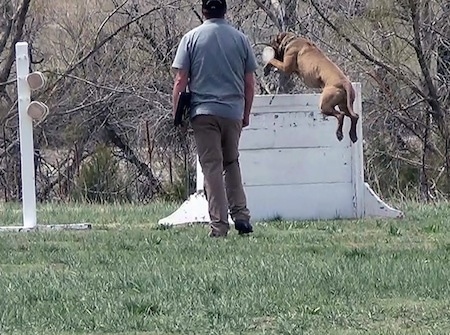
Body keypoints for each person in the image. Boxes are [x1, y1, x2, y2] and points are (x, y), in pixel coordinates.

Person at [171, 0, 258, 237]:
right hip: (232, 112)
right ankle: (241, 216)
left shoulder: (191, 38)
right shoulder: (240, 39)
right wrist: (245, 113)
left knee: (211, 166)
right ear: (225, 10)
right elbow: (249, 83)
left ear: (203, 11)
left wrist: (176, 112)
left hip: (204, 113)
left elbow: (180, 80)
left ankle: (219, 225)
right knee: (232, 162)